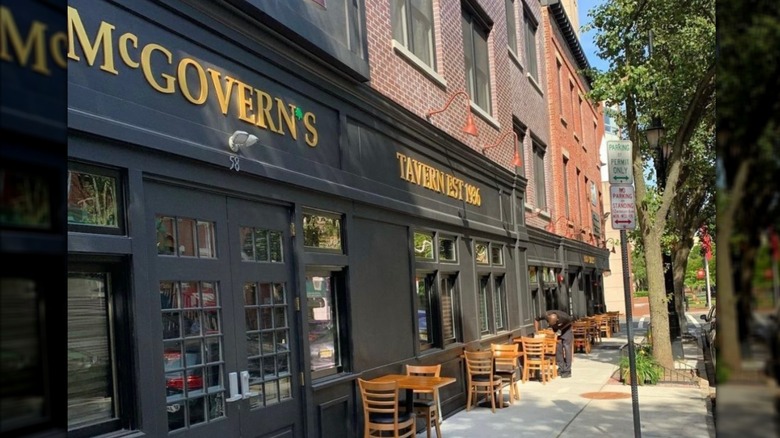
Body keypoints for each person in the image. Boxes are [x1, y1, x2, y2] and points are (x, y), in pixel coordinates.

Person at [535, 310, 574, 378]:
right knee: (558, 350)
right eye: (550, 324)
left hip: (566, 330)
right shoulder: (546, 315)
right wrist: (537, 332)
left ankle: (567, 370)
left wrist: (560, 330)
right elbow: (536, 319)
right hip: (557, 332)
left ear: (557, 320)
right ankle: (561, 368)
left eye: (553, 323)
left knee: (567, 348)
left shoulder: (564, 317)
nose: (551, 325)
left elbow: (571, 321)